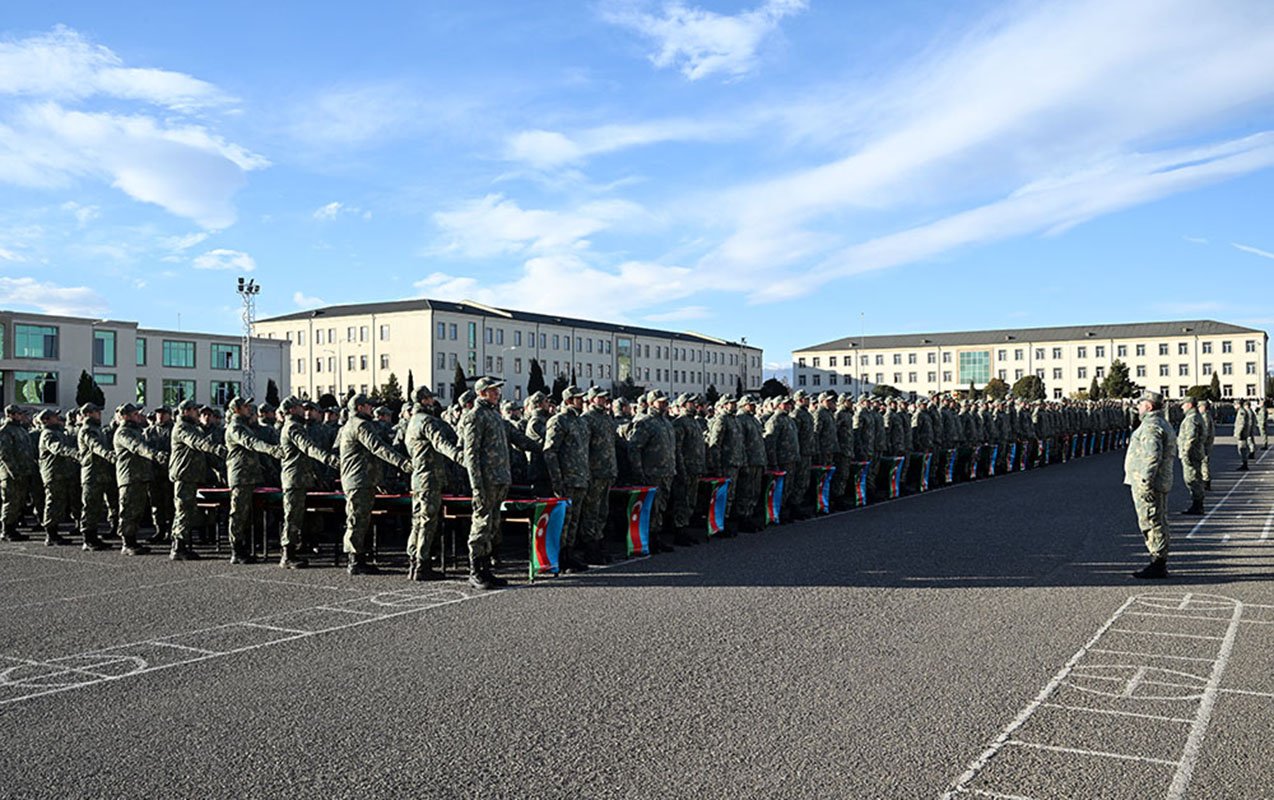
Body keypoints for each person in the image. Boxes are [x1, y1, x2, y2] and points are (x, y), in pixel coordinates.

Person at [339, 393, 412, 575]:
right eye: (368, 406)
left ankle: (359, 557)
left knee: (360, 519)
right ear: (360, 407)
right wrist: (402, 463)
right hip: (358, 479)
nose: (372, 408)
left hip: (362, 478)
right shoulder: (360, 425)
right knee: (357, 519)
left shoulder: (354, 424)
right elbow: (377, 447)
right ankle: (355, 560)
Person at [458, 377, 512, 590]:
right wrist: (476, 484)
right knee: (481, 523)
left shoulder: (493, 415)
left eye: (497, 390)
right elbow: (471, 454)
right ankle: (475, 570)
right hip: (486, 480)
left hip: (499, 478)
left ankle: (486, 567)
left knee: (492, 524)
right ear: (482, 393)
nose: (497, 393)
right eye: (493, 390)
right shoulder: (475, 416)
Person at [403, 387, 461, 581]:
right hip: (429, 478)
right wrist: (461, 458)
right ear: (424, 400)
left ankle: (414, 560)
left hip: (419, 478)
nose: (433, 403)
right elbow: (440, 443)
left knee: (417, 521)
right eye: (430, 399)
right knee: (428, 521)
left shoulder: (412, 421)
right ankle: (422, 564)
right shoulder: (427, 421)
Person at [278, 395, 339, 569]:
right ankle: (287, 555)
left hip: (300, 478)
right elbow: (309, 447)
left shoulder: (295, 426)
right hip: (294, 478)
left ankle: (293, 550)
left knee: (297, 516)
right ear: (291, 410)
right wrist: (331, 460)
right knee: (292, 517)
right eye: (299, 407)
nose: (303, 410)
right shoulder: (293, 427)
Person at [1123, 391, 1177, 579]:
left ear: (1149, 406)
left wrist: (1145, 482)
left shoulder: (1151, 426)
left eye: (1141, 404)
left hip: (1150, 482)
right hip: (1157, 480)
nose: (1138, 407)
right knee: (1157, 519)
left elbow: (1152, 456)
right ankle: (1159, 560)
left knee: (1152, 521)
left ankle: (1158, 563)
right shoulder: (1160, 423)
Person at [224, 398, 283, 564]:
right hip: (240, 477)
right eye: (245, 406)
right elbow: (250, 443)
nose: (249, 409)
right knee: (238, 514)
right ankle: (236, 549)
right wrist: (271, 449)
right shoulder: (235, 428)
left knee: (248, 515)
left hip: (250, 476)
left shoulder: (244, 426)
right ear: (236, 410)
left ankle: (245, 547)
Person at [168, 399, 225, 561]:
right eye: (194, 410)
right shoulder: (182, 428)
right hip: (184, 475)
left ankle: (179, 544)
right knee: (183, 511)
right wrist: (215, 448)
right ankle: (179, 548)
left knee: (186, 510)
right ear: (185, 411)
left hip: (191, 475)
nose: (197, 413)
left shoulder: (193, 428)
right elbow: (197, 443)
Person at [113, 403, 168, 556]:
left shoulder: (136, 431)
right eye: (135, 414)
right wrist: (155, 455)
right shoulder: (124, 433)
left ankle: (133, 541)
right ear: (125, 416)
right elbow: (137, 447)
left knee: (137, 511)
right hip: (130, 477)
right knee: (129, 510)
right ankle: (127, 543)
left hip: (140, 476)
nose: (139, 416)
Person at [626, 390, 678, 552]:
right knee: (652, 507)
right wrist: (639, 471)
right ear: (651, 403)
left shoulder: (667, 423)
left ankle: (656, 536)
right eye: (660, 402)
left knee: (661, 507)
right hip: (652, 473)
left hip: (667, 472)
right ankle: (648, 538)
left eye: (665, 402)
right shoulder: (645, 423)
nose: (664, 405)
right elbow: (634, 448)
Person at [580, 387, 617, 563]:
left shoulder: (607, 418)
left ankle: (599, 542)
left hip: (607, 471)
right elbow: (583, 448)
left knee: (603, 510)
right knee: (591, 511)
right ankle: (589, 547)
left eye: (605, 398)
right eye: (600, 398)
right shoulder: (587, 419)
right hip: (594, 472)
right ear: (592, 399)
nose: (604, 401)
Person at [77, 402, 118, 550]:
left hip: (101, 474)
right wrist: (109, 455)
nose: (99, 414)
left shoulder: (97, 429)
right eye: (96, 411)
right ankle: (88, 539)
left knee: (97, 507)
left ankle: (93, 537)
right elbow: (95, 446)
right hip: (92, 474)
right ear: (88, 413)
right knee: (90, 506)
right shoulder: (87, 430)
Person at [37, 409, 78, 546]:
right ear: (46, 420)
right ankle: (51, 534)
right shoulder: (48, 434)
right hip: (54, 474)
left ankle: (54, 532)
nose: (57, 418)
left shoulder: (58, 432)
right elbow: (57, 448)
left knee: (60, 503)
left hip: (63, 473)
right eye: (54, 416)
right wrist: (74, 454)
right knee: (53, 503)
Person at [0, 405, 36, 542]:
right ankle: (6, 530)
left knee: (19, 502)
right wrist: (14, 472)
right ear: (11, 414)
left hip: (24, 472)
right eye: (19, 414)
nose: (21, 416)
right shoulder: (5, 431)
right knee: (10, 501)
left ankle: (13, 528)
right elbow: (5, 454)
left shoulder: (21, 430)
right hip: (11, 474)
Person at [1177, 398, 1205, 516]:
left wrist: (1185, 453)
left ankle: (1197, 505)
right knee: (1195, 478)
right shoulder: (1196, 416)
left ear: (1189, 405)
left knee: (1192, 479)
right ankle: (1197, 504)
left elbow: (1191, 437)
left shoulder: (1191, 419)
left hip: (1191, 453)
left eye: (1183, 405)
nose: (1182, 407)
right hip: (1196, 452)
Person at [1233, 399, 1256, 471]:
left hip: (1242, 434)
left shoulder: (1241, 412)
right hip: (1243, 433)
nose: (1234, 406)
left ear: (1238, 404)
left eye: (1235, 404)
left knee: (1242, 449)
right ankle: (1244, 463)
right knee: (1242, 449)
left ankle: (1244, 464)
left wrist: (1239, 433)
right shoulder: (1241, 411)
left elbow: (1242, 423)